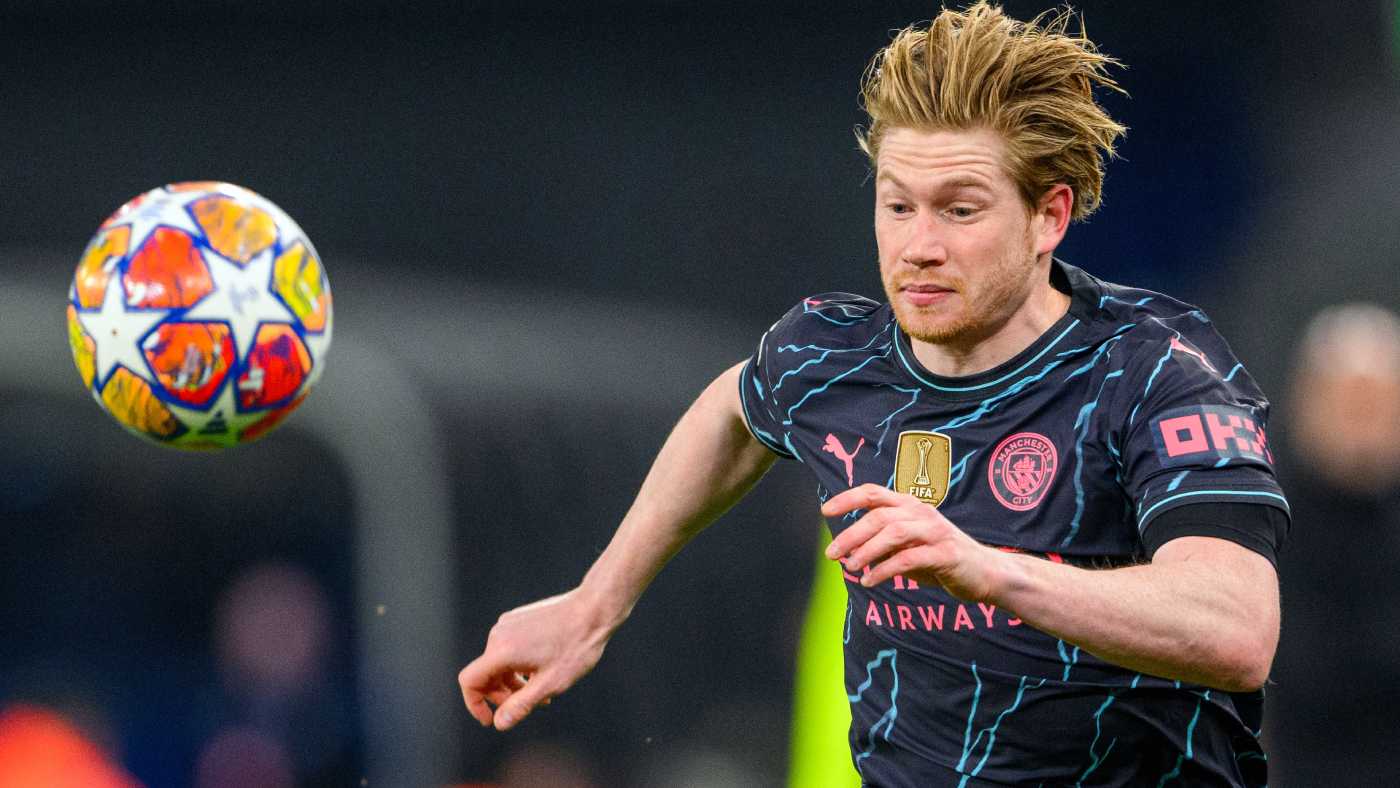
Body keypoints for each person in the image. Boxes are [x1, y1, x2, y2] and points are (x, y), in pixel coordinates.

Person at [459, 4, 1289, 785]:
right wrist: (595, 604)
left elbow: (1236, 628)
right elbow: (735, 410)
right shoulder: (830, 355)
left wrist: (989, 572)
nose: (919, 245)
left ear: (1050, 216)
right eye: (898, 205)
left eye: (959, 210)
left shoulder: (1153, 371)